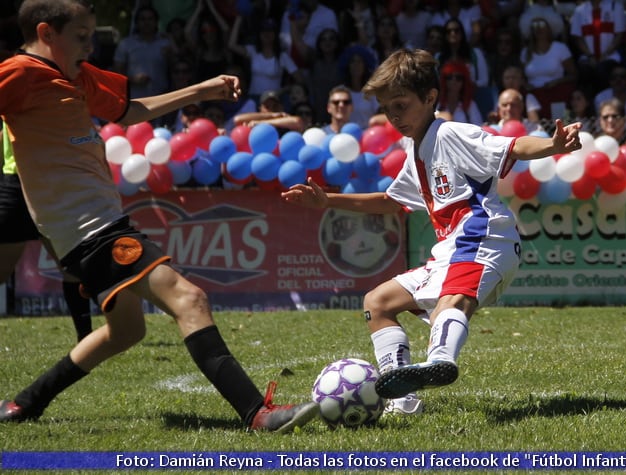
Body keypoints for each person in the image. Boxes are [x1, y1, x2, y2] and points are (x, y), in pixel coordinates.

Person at [0, 0, 318, 432]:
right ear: (46, 32)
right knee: (190, 299)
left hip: (95, 227)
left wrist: (200, 91)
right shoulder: (18, 73)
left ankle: (25, 403)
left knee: (126, 331)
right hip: (91, 232)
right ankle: (257, 414)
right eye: (82, 36)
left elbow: (129, 111)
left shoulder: (76, 74)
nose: (90, 46)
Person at [281, 48, 582, 414]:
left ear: (429, 98)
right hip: (452, 248)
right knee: (378, 303)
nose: (394, 116)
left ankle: (440, 359)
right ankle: (401, 397)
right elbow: (392, 201)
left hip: (485, 236)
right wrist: (328, 202)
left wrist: (552, 145)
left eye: (402, 105)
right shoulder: (416, 150)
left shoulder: (451, 133)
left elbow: (512, 146)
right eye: (387, 107)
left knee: (452, 302)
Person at [0, 123, 93, 342]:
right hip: (17, 187)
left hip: (50, 188)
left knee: (73, 267)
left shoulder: (51, 98)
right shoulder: (13, 96)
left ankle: (86, 338)